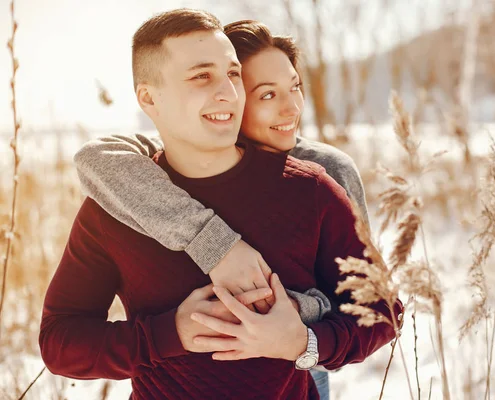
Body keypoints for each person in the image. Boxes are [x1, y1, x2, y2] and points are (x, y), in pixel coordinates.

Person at [40, 9, 400, 399]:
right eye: (201, 76)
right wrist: (168, 334)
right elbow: (61, 342)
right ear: (148, 97)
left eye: (232, 74)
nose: (228, 92)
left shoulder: (310, 188)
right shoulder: (117, 207)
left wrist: (302, 341)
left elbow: (382, 311)